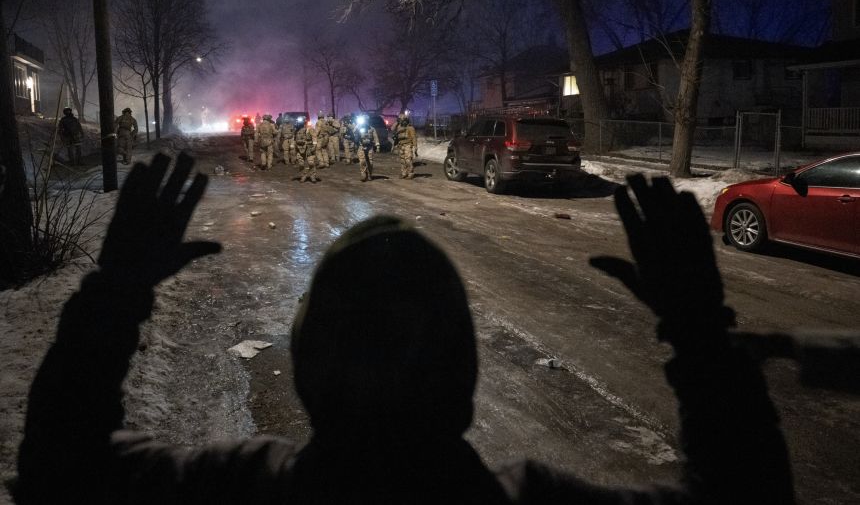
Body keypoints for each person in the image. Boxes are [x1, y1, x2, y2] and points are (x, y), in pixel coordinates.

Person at [15, 157, 794, 505]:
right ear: (463, 371)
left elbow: (61, 473)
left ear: (311, 362)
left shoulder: (238, 490)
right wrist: (699, 330)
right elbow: (745, 495)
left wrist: (113, 296)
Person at [391, 110, 417, 179]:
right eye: (402, 120)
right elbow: (392, 129)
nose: (403, 121)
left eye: (404, 120)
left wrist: (415, 146)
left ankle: (410, 173)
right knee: (402, 160)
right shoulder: (399, 127)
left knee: (408, 160)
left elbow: (414, 137)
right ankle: (404, 173)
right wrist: (397, 121)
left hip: (408, 145)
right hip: (401, 145)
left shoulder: (410, 128)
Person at [354, 117, 380, 182]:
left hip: (369, 147)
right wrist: (358, 125)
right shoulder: (358, 128)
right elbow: (354, 132)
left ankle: (369, 175)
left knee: (370, 162)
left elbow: (375, 137)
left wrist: (377, 146)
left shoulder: (372, 129)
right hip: (361, 147)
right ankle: (363, 174)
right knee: (362, 161)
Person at [294, 118, 319, 183]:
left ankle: (312, 176)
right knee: (301, 164)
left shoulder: (310, 130)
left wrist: (314, 146)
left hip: (309, 148)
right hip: (301, 149)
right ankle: (303, 176)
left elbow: (314, 137)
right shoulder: (299, 131)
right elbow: (296, 141)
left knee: (311, 163)